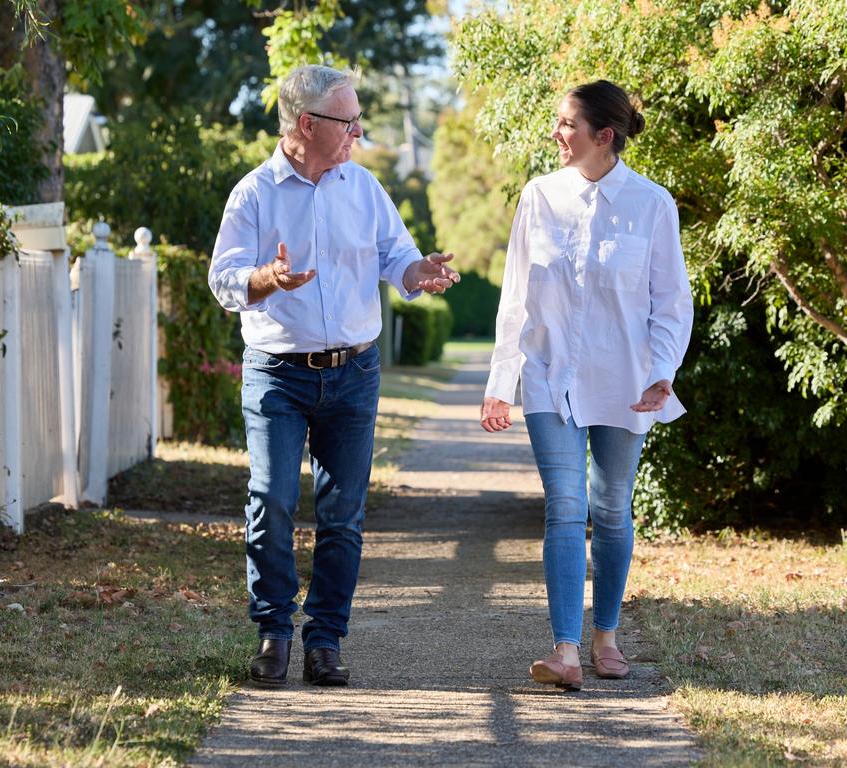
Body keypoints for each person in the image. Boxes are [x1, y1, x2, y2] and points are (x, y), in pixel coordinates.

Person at [209, 65, 460, 688]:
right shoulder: (254, 194)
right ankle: (273, 634)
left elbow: (395, 254)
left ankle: (325, 642)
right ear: (307, 124)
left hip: (354, 372)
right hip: (277, 375)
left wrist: (417, 270)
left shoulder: (364, 186)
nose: (358, 132)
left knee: (343, 514)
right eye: (349, 122)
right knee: (271, 500)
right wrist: (268, 278)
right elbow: (224, 279)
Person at [480, 80, 693, 690]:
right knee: (566, 507)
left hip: (625, 382)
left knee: (612, 509)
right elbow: (515, 295)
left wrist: (661, 373)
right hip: (549, 378)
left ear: (606, 136)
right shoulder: (539, 196)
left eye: (567, 123)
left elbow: (671, 304)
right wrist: (502, 381)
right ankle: (566, 651)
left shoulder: (652, 204)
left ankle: (606, 636)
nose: (556, 133)